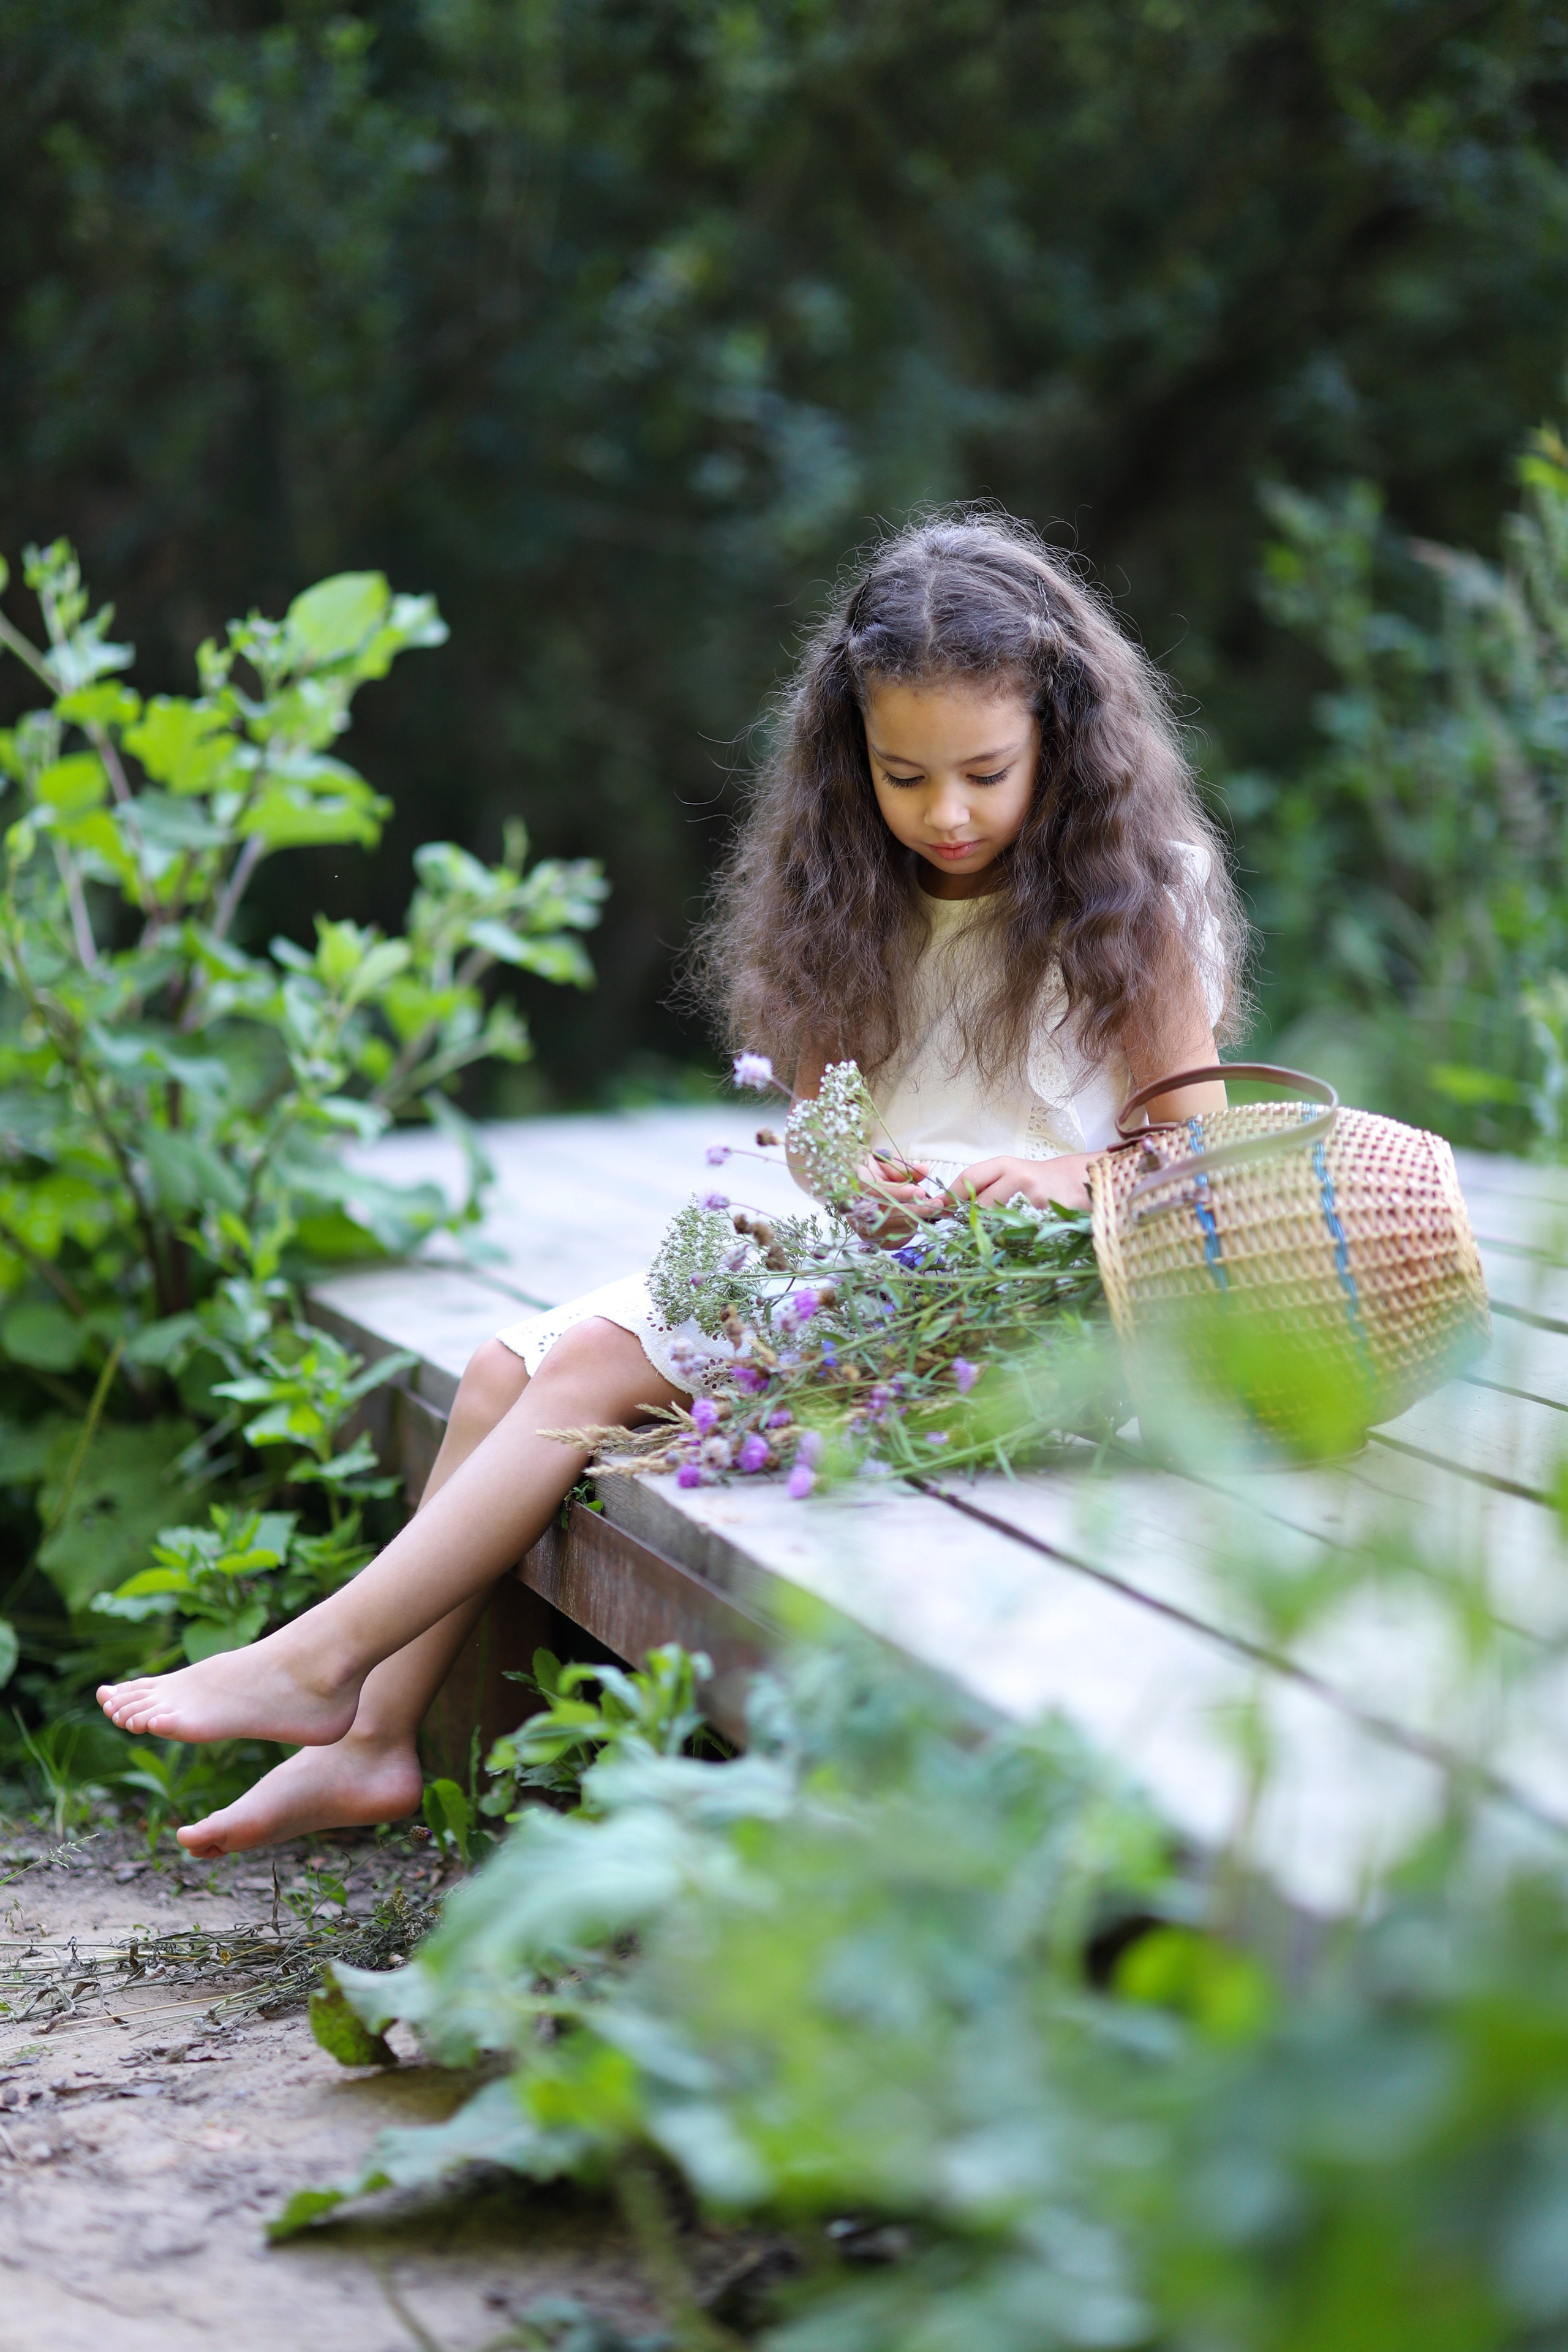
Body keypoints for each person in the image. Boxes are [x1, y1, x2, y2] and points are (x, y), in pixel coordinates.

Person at [96, 510, 1247, 1855]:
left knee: (582, 1371)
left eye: (986, 773)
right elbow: (830, 1134)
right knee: (492, 1374)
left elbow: (1193, 1157)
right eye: (901, 774)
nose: (944, 812)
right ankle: (370, 1745)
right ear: (850, 758)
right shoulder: (857, 895)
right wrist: (856, 1177)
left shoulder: (1129, 897)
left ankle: (321, 1659)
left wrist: (1042, 1180)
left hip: (1024, 1302)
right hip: (875, 1268)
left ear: (1059, 734)